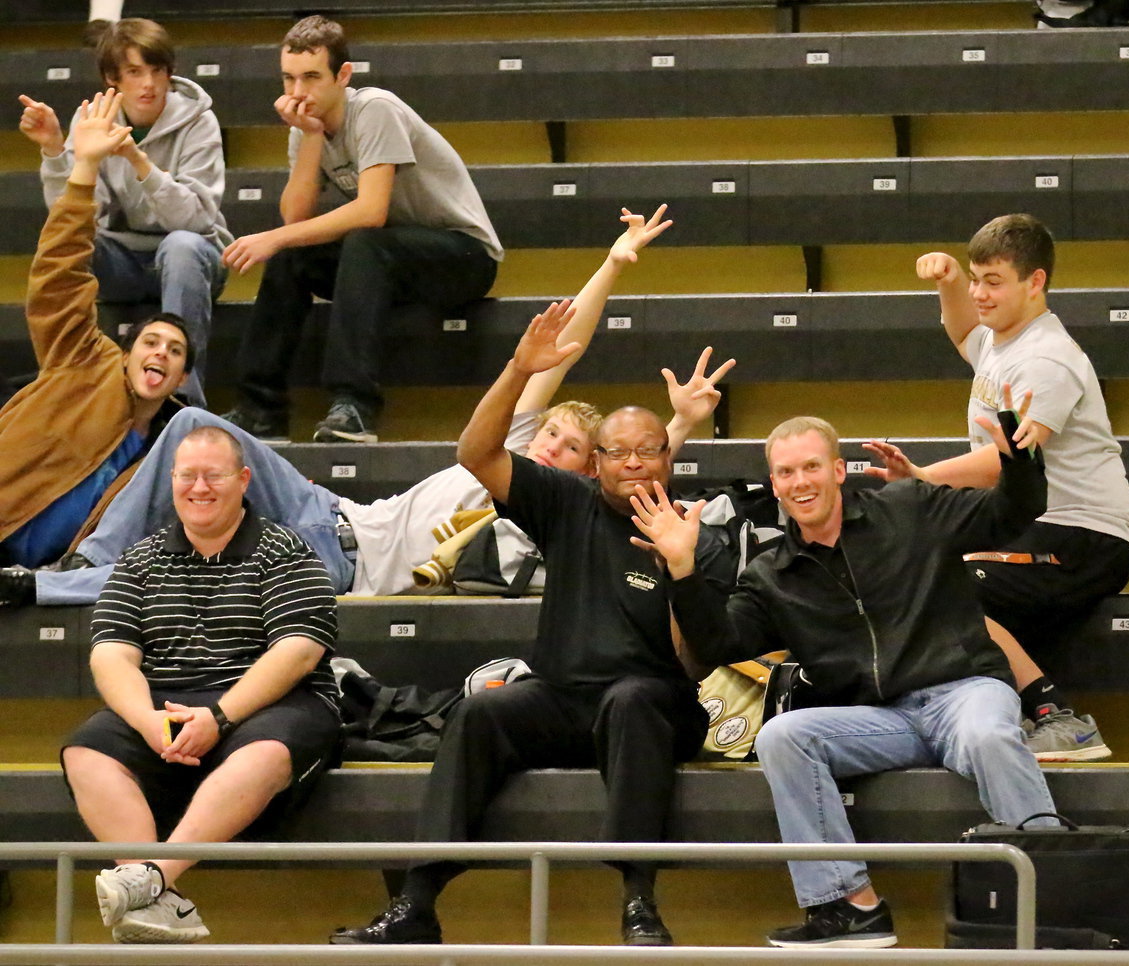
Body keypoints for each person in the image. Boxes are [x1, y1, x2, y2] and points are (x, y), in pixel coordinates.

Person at [13, 207, 731, 606]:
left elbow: (633, 477)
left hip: (334, 567)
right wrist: (610, 264)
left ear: (584, 471)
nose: (551, 449)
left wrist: (682, 427)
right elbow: (562, 345)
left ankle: (41, 588)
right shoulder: (505, 448)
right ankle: (81, 563)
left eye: (571, 450)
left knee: (187, 571)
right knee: (199, 429)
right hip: (327, 514)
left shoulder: (554, 505)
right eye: (549, 434)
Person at [328, 307, 737, 948]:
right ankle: (418, 901)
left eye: (649, 451)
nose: (634, 463)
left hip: (655, 705)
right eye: (618, 452)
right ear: (595, 462)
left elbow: (706, 660)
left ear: (669, 459)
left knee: (633, 699)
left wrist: (681, 568)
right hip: (563, 698)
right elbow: (475, 452)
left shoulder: (695, 531)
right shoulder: (565, 501)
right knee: (481, 712)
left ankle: (639, 900)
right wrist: (520, 369)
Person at [630, 398, 1058, 948]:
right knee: (784, 736)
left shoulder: (908, 507)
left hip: (962, 691)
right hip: (879, 719)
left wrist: (1019, 461)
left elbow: (1010, 513)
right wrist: (684, 570)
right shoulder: (771, 575)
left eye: (811, 466)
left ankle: (1054, 889)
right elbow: (716, 646)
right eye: (786, 472)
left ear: (838, 470)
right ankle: (851, 908)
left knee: (987, 733)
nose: (800, 481)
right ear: (775, 485)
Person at [866, 214, 1129, 761]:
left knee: (949, 580)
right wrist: (947, 286)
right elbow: (965, 331)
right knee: (909, 564)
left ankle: (1055, 714)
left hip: (1083, 538)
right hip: (1030, 526)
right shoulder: (1000, 337)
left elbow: (1008, 461)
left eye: (993, 281)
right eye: (974, 277)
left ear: (1034, 282)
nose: (979, 293)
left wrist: (921, 478)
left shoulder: (1047, 358)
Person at [60, 424, 340, 944]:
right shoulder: (140, 561)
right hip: (164, 706)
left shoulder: (287, 551)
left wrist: (221, 717)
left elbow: (299, 650)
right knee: (85, 752)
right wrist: (147, 722)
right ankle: (155, 899)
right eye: (187, 476)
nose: (199, 488)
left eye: (213, 476)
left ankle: (153, 877)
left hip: (268, 705)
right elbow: (111, 655)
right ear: (171, 481)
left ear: (243, 480)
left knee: (266, 753)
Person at [221, 14, 502, 444]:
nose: (298, 93)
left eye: (312, 77)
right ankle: (262, 409)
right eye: (289, 79)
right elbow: (295, 219)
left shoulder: (374, 110)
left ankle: (354, 406)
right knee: (294, 253)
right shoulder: (306, 121)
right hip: (390, 260)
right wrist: (310, 137)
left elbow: (371, 211)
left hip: (463, 256)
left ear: (343, 75)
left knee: (363, 241)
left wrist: (272, 237)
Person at [0, 89, 190, 584]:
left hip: (49, 580)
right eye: (150, 343)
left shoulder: (170, 449)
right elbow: (58, 277)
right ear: (125, 354)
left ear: (182, 376)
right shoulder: (85, 361)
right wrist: (82, 167)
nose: (161, 354)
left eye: (174, 351)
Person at [18, 18, 230, 407]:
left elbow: (195, 220)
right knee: (66, 247)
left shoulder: (200, 121)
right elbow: (78, 219)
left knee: (181, 246)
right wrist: (53, 149)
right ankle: (65, 390)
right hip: (122, 259)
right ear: (113, 79)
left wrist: (139, 162)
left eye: (157, 71)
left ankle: (182, 400)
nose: (148, 84)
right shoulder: (92, 120)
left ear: (169, 74)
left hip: (193, 257)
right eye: (134, 72)